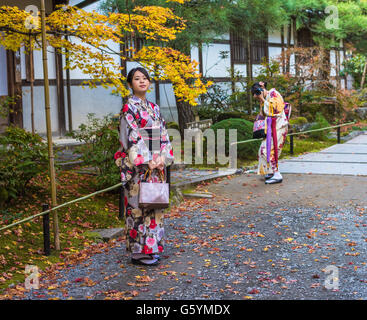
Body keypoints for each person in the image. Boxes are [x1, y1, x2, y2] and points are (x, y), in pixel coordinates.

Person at [114, 67, 174, 265]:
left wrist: (161, 158)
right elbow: (131, 136)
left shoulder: (154, 108)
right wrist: (147, 158)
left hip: (155, 164)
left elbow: (162, 134)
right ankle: (139, 252)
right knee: (138, 206)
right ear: (130, 83)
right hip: (138, 167)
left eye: (145, 78)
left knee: (154, 203)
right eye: (137, 79)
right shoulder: (128, 108)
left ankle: (152, 247)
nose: (142, 81)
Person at [251, 81, 289, 184]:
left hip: (279, 126)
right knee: (263, 150)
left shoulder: (274, 93)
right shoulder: (267, 97)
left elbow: (275, 109)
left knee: (270, 150)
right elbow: (263, 113)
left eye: (257, 92)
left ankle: (277, 174)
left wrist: (263, 99)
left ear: (262, 88)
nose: (257, 95)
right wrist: (261, 101)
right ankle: (271, 171)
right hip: (271, 127)